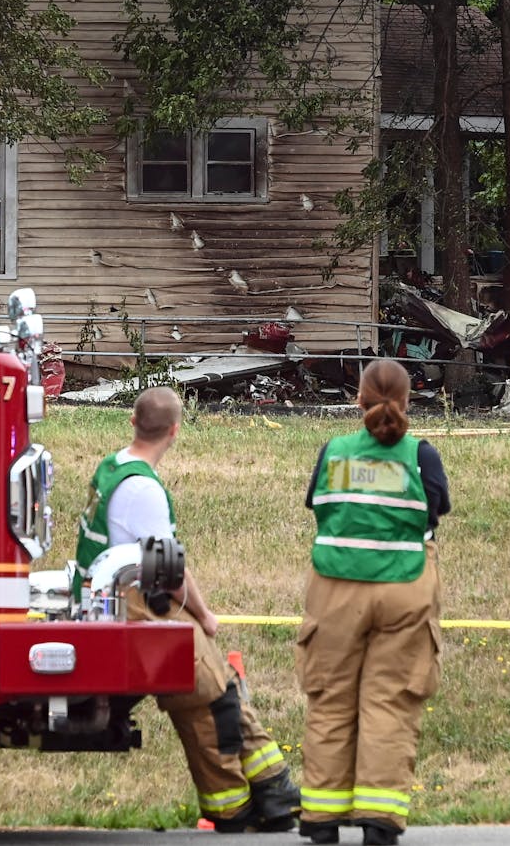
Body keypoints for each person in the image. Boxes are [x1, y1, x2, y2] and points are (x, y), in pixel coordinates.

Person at [74, 386, 299, 833]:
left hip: (116, 599)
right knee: (210, 694)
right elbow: (169, 571)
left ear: (132, 422)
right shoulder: (143, 490)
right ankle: (237, 806)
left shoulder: (114, 467)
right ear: (175, 430)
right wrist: (206, 615)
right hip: (134, 606)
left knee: (221, 685)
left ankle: (275, 792)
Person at [297, 359, 451, 846]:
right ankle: (379, 823)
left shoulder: (333, 452)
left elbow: (316, 505)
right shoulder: (421, 455)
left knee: (330, 701)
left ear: (358, 400)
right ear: (408, 402)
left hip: (335, 589)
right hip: (405, 587)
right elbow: (436, 509)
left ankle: (321, 820)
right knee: (391, 701)